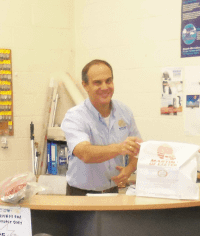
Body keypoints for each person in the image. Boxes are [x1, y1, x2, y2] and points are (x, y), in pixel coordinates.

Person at [61, 59, 142, 195]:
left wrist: (128, 169)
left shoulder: (124, 112)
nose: (105, 87)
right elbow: (85, 153)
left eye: (108, 81)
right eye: (98, 83)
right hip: (81, 195)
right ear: (85, 85)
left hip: (113, 192)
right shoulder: (75, 116)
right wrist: (119, 148)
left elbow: (140, 148)